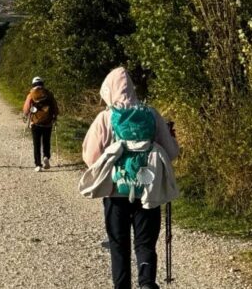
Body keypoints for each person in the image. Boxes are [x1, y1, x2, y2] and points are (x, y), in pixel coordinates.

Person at [80, 67, 179, 289]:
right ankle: (146, 283)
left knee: (118, 244)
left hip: (116, 192)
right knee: (145, 243)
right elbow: (171, 153)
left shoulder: (106, 117)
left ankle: (122, 285)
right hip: (148, 189)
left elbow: (90, 156)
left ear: (108, 90)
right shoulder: (151, 114)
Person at [21, 76, 59, 171]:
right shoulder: (48, 94)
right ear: (42, 84)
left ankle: (38, 164)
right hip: (48, 122)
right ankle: (46, 156)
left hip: (35, 123)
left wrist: (26, 115)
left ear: (33, 84)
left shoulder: (31, 95)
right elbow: (55, 107)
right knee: (46, 141)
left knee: (36, 144)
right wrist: (54, 117)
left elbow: (26, 109)